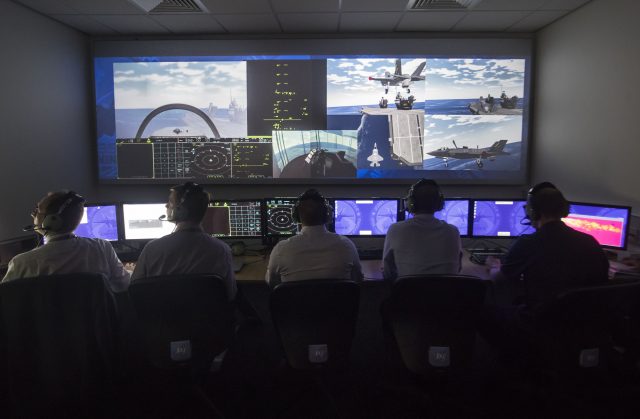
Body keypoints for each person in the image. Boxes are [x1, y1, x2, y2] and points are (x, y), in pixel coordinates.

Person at [487, 182, 609, 309]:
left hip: (542, 321)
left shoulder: (528, 243)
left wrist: (494, 267)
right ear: (564, 210)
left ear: (533, 213)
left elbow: (500, 280)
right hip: (585, 319)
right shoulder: (590, 241)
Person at [2, 190, 130, 293]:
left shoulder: (21, 263)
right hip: (95, 324)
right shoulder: (102, 248)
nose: (33, 214)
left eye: (37, 210)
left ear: (52, 220)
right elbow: (124, 285)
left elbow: (5, 301)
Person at [131, 182, 237, 300]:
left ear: (180, 210)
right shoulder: (222, 250)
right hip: (207, 317)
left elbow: (136, 288)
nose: (166, 205)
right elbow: (230, 294)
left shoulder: (151, 248)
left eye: (170, 202)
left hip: (162, 317)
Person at [265, 189, 362, 288]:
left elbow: (272, 283)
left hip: (295, 303)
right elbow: (357, 279)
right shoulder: (346, 245)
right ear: (328, 216)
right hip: (336, 303)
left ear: (296, 217)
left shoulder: (281, 249)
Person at [383, 179, 462, 280]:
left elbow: (387, 273)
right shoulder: (453, 231)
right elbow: (458, 269)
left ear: (410, 204)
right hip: (445, 294)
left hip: (407, 294)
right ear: (439, 204)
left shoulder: (395, 229)